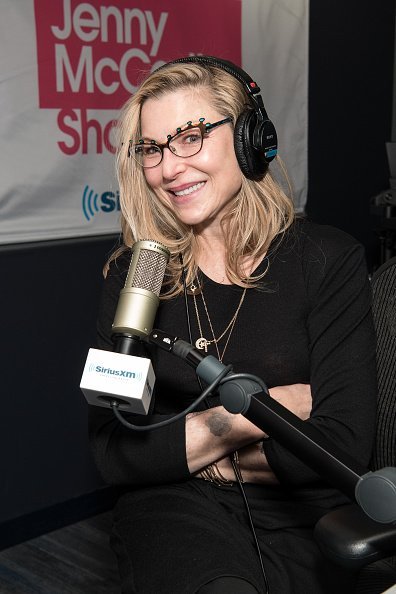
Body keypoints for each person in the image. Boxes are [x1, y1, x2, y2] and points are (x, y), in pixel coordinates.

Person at [88, 56, 377, 593]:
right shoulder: (137, 275)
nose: (169, 167)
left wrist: (193, 453)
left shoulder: (326, 260)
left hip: (306, 517)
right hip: (175, 509)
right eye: (152, 148)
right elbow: (114, 451)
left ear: (250, 140)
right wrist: (250, 418)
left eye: (191, 136)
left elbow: (341, 448)